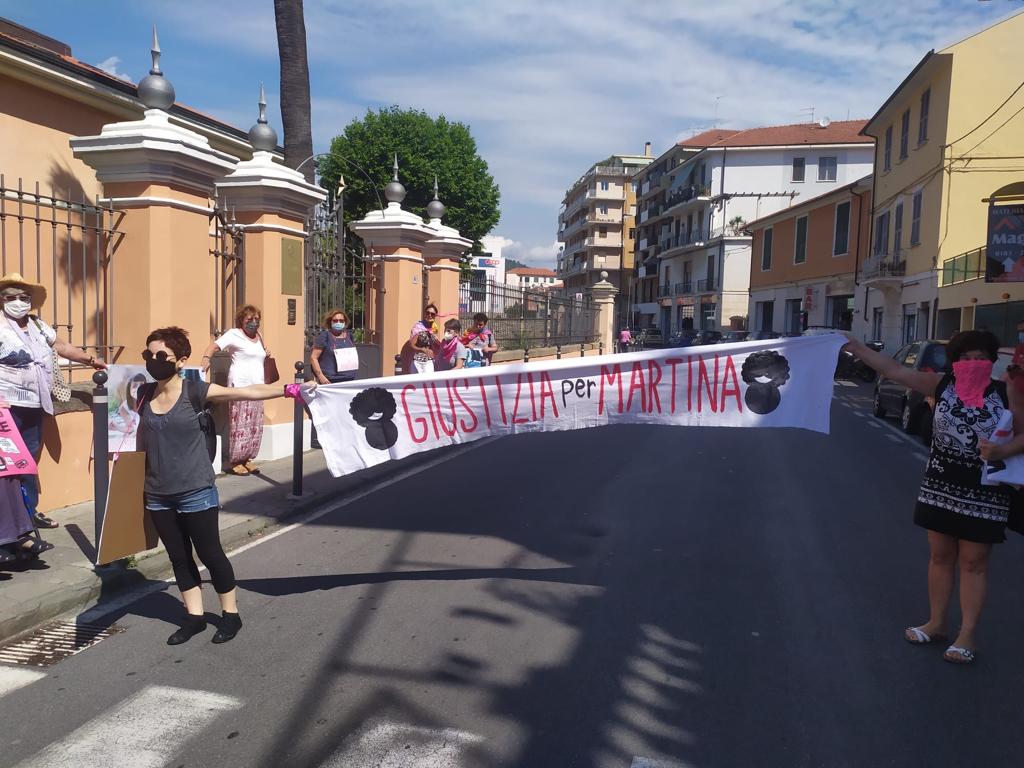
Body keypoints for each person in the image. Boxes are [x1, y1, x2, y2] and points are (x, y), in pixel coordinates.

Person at [843, 330, 1024, 665]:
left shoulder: (1005, 390)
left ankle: (967, 634)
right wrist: (857, 347)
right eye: (966, 358)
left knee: (974, 562)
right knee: (940, 557)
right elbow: (894, 371)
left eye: (981, 357)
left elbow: (1023, 434)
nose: (974, 364)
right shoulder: (942, 386)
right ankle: (937, 623)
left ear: (992, 359)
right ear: (955, 362)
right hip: (940, 484)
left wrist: (1001, 449)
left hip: (986, 489)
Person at [139, 326, 313, 645]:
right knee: (179, 556)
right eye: (148, 354)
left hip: (195, 491)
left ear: (181, 360)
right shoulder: (143, 394)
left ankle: (230, 615)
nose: (153, 360)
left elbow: (247, 392)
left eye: (160, 355)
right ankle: (194, 617)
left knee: (210, 554)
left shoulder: (196, 391)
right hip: (157, 493)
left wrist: (288, 389)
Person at [0, 272, 106, 533]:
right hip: (7, 406)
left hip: (35, 405)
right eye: (10, 297)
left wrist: (90, 360)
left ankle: (29, 512)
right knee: (8, 464)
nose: (18, 302)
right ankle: (11, 523)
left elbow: (63, 347)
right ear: (1, 300)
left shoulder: (37, 325)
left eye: (23, 297)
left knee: (29, 461)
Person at [200, 305, 267, 476]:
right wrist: (206, 359)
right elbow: (214, 346)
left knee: (254, 425)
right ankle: (234, 461)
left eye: (257, 319)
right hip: (240, 384)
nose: (254, 322)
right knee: (240, 424)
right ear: (241, 320)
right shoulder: (234, 334)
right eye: (250, 319)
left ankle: (247, 459)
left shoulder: (259, 336)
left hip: (258, 385)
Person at [310, 309, 359, 384]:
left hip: (349, 380)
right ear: (330, 322)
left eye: (341, 320)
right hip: (330, 381)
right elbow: (313, 357)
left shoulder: (349, 336)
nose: (338, 323)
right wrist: (321, 377)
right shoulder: (324, 336)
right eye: (335, 320)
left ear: (345, 322)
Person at [401, 304, 440, 374]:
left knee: (428, 382)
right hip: (417, 361)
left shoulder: (434, 329)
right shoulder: (418, 327)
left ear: (435, 316)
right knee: (417, 383)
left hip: (429, 361)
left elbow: (436, 346)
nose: (429, 315)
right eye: (427, 313)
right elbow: (411, 345)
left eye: (432, 314)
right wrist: (422, 350)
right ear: (425, 314)